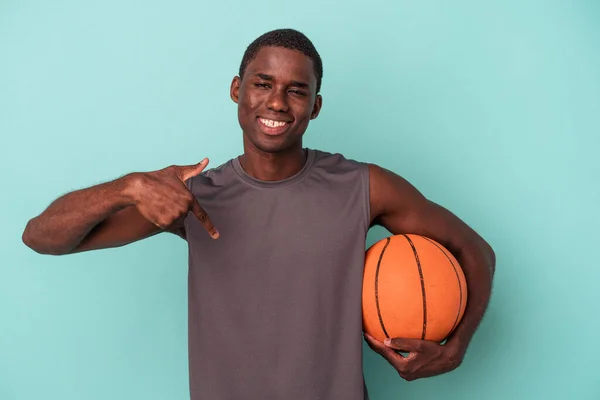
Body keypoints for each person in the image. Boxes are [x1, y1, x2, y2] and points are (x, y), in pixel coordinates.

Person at [22, 29, 495, 400]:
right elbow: (41, 237)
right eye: (262, 84)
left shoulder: (364, 186)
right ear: (236, 89)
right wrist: (128, 187)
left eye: (296, 90)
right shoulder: (192, 197)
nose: (276, 102)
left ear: (316, 106)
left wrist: (457, 347)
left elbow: (475, 251)